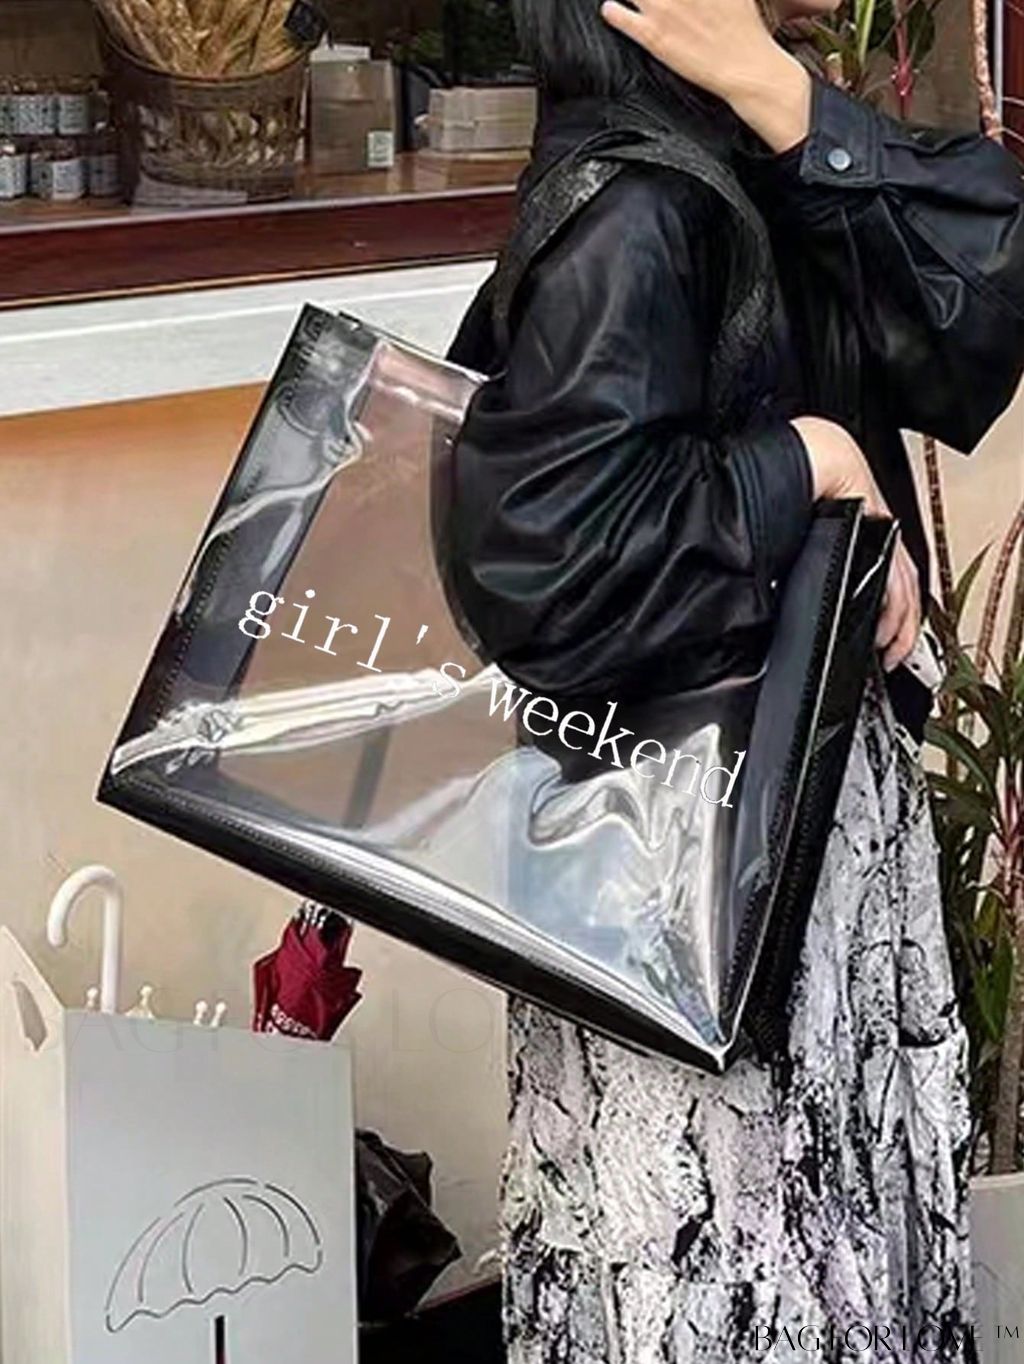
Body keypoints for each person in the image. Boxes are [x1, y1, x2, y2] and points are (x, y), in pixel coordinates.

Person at [445, 0, 1024, 1358]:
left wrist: (787, 98)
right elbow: (547, 561)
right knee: (735, 1298)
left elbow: (981, 302)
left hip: (777, 845)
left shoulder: (744, 150)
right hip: (696, 877)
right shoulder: (637, 204)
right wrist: (807, 464)